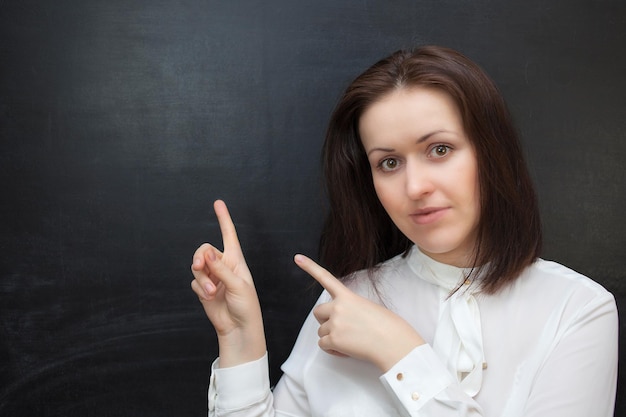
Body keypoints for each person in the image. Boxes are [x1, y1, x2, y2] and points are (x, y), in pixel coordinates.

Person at [190, 46, 618, 417]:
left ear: (491, 153)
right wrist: (239, 339)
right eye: (389, 163)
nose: (415, 188)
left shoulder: (576, 309)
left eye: (440, 150)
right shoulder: (347, 300)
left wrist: (400, 352)